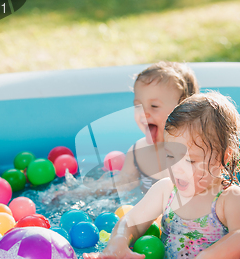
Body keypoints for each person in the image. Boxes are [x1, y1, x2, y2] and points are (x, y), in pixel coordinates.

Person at [84, 92, 240, 259]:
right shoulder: (166, 190)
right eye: (171, 156)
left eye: (190, 160)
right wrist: (119, 240)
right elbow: (132, 221)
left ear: (224, 158)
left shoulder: (228, 198)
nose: (178, 168)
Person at [55, 61, 199, 198]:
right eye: (138, 105)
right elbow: (122, 182)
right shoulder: (138, 151)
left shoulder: (194, 151)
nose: (143, 113)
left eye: (154, 106)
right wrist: (78, 193)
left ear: (184, 109)